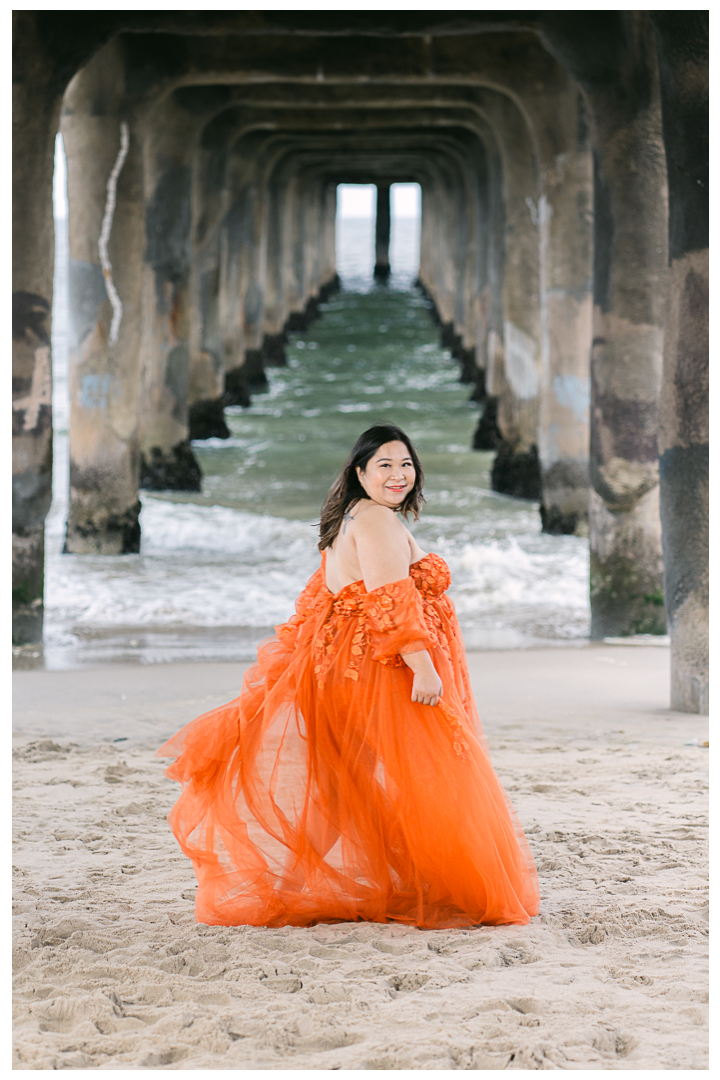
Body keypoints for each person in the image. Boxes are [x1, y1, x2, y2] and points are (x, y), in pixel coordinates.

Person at [158, 423, 539, 929]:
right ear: (360, 472)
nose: (398, 475)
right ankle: (451, 885)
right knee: (437, 770)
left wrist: (304, 658)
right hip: (380, 670)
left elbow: (323, 597)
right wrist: (423, 669)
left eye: (406, 464)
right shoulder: (378, 521)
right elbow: (390, 598)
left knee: (346, 785)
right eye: (384, 465)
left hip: (342, 665)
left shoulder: (349, 516)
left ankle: (292, 885)